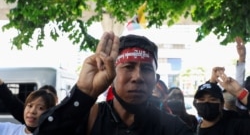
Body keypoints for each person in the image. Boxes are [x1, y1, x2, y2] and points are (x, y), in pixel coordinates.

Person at [34, 31, 194, 135]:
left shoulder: (172, 128)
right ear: (110, 75)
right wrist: (83, 93)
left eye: (146, 69)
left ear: (156, 81)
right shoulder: (88, 118)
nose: (138, 77)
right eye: (128, 67)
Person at [194, 67, 250, 135]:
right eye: (202, 99)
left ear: (222, 104)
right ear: (196, 104)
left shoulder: (236, 125)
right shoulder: (190, 127)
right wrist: (211, 83)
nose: (206, 102)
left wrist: (240, 93)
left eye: (212, 99)